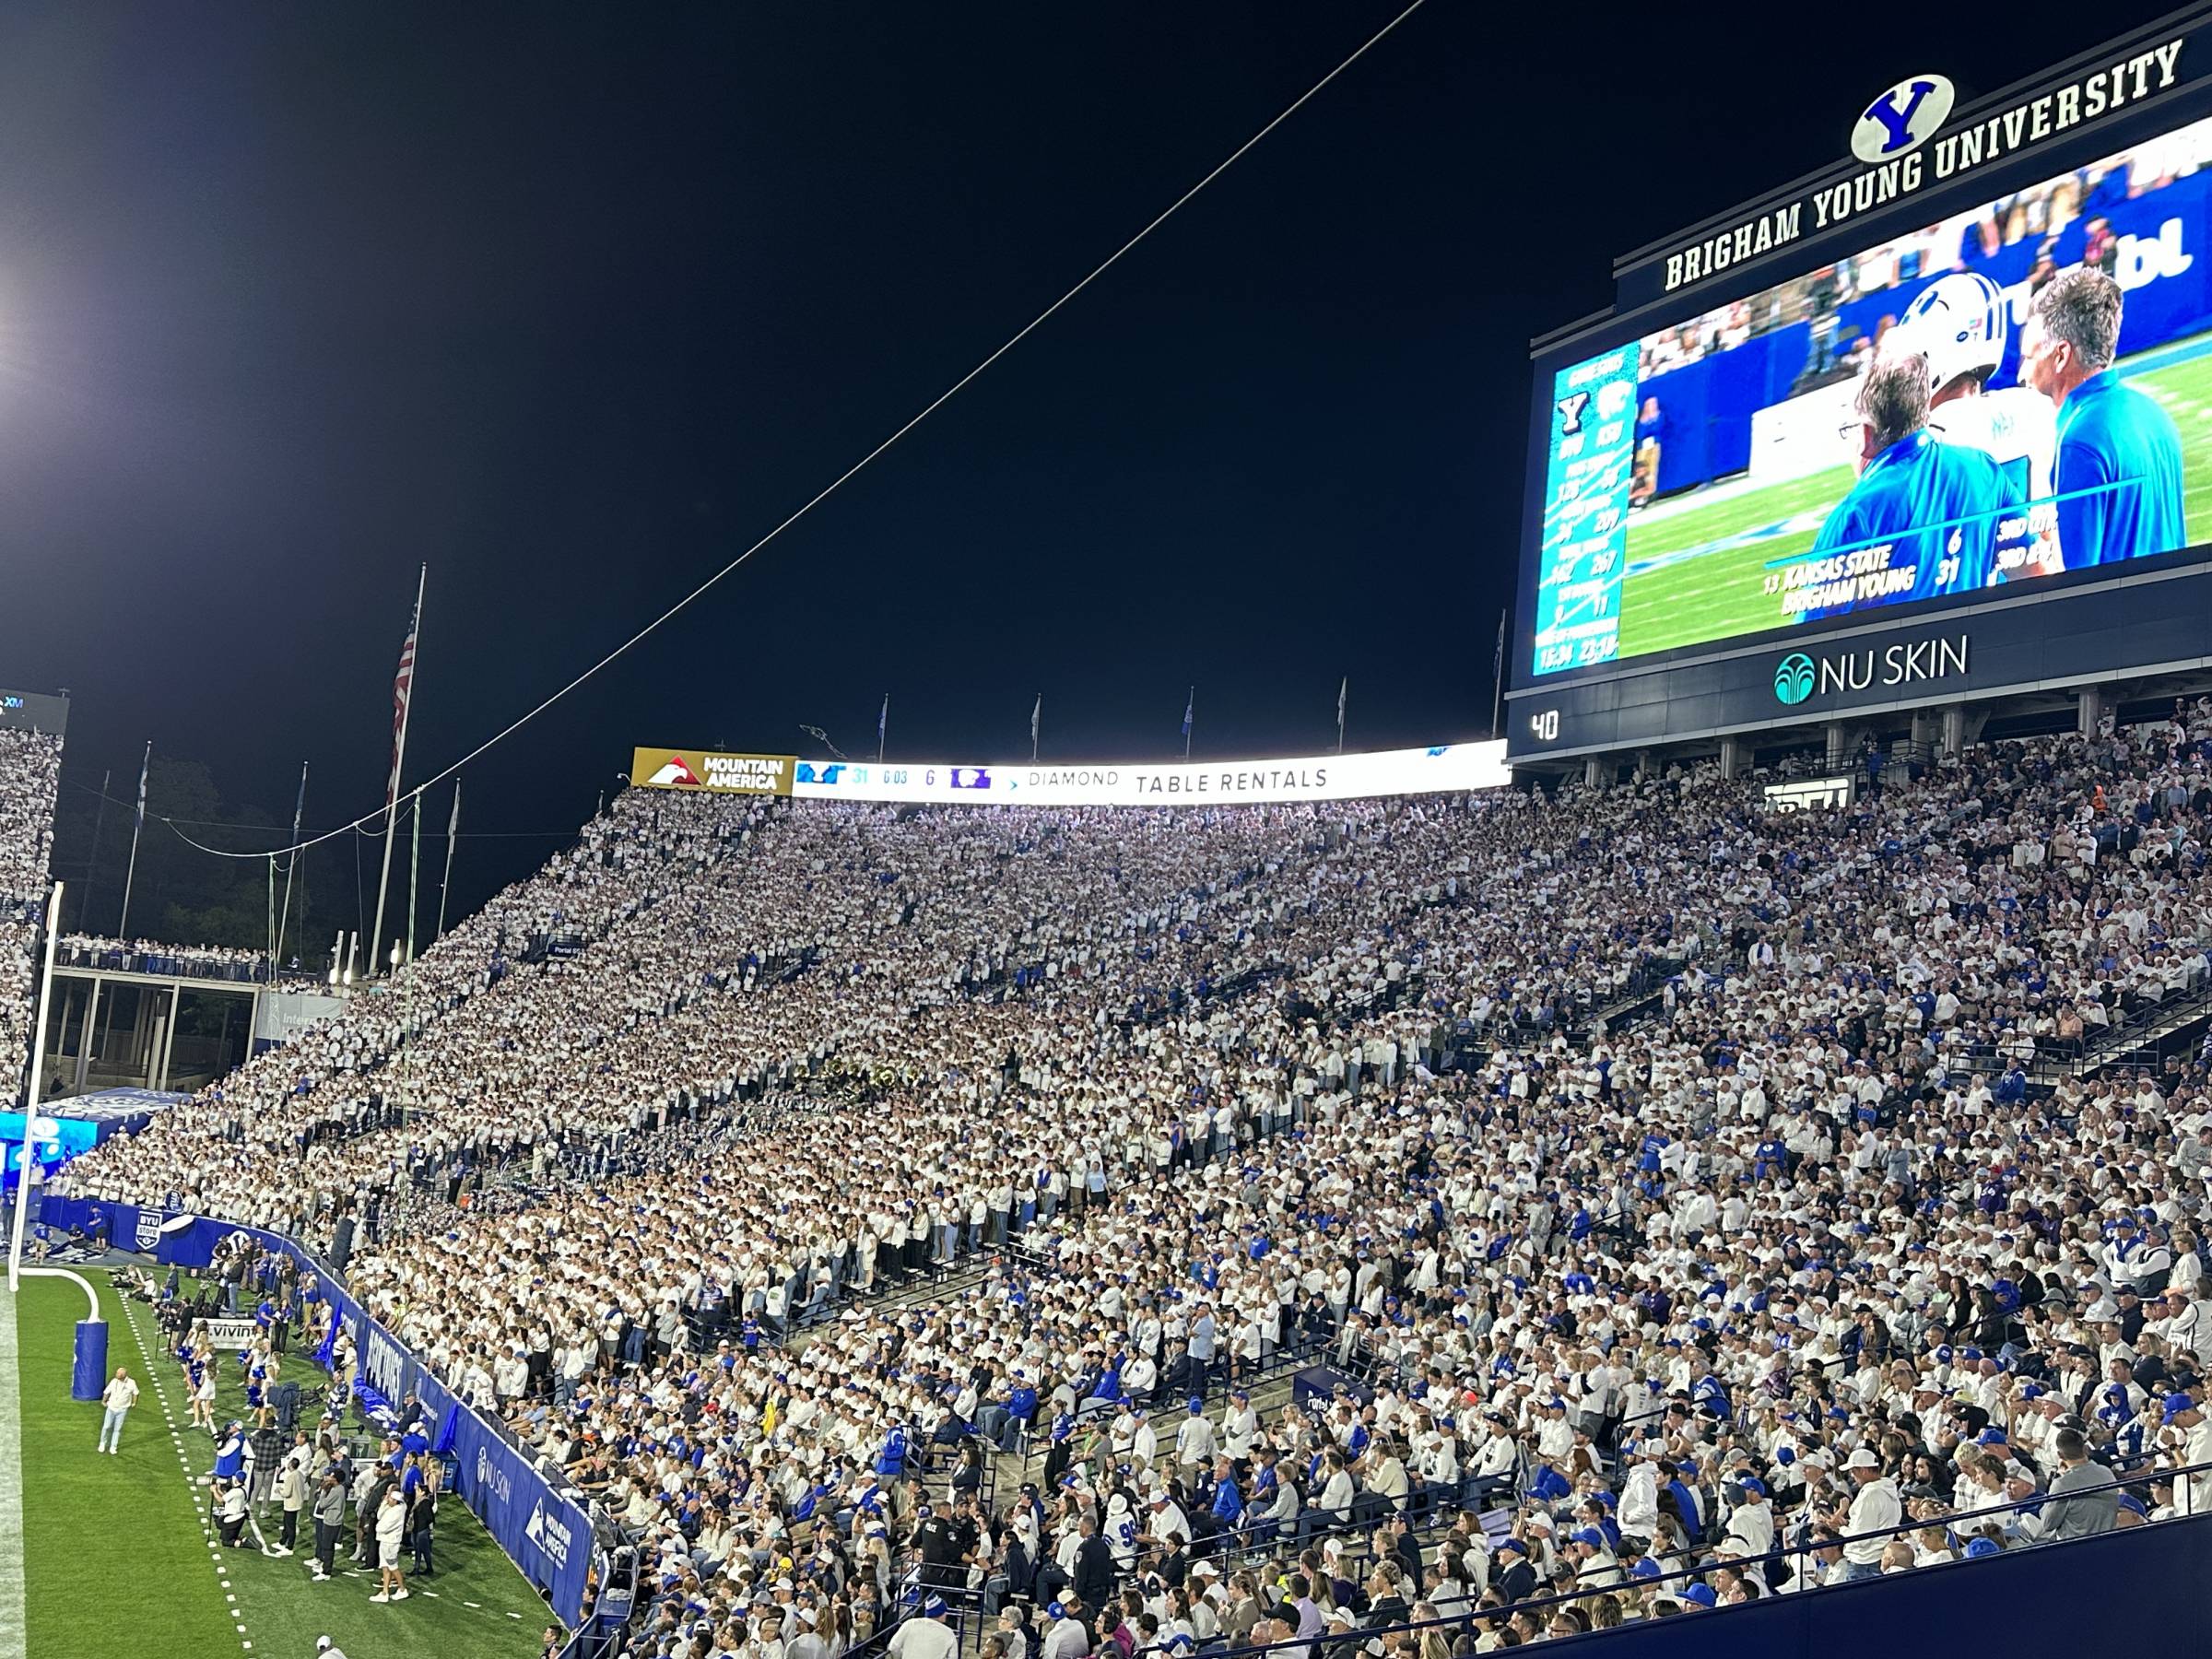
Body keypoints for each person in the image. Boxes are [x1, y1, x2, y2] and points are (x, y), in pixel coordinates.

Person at [1805, 353, 2018, 617]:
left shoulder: (1855, 514)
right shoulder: (1983, 469)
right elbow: (2037, 575)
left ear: (1867, 434)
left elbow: (1809, 641)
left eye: (1851, 428)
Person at [2024, 265, 2185, 568]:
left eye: (2030, 357)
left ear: (2061, 356)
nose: (2022, 373)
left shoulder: (2077, 441)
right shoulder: (2156, 414)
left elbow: (2075, 584)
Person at [370, 1485, 409, 1603]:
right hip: (385, 1541)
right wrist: (384, 1503)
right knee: (385, 1567)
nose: (388, 1500)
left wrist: (377, 1526)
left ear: (396, 1501)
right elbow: (379, 1515)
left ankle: (402, 1590)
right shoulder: (396, 1507)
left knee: (393, 1567)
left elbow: (381, 1527)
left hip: (390, 1543)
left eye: (390, 1499)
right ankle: (385, 1593)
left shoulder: (395, 1512)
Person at [888, 1595, 958, 1659]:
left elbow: (893, 1647)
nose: (946, 1614)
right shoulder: (948, 1633)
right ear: (940, 1612)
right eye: (944, 1611)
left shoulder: (910, 1624)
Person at [311, 1470, 347, 1582]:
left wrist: (322, 1491)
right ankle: (325, 1568)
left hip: (332, 1521)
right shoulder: (340, 1488)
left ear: (335, 1479)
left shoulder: (336, 1491)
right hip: (333, 1520)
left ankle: (326, 1572)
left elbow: (323, 1504)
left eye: (331, 1476)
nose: (329, 1478)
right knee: (328, 1546)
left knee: (327, 1546)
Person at [97, 1366, 139, 1455]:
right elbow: (107, 1391)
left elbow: (136, 1393)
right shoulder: (114, 1381)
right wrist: (104, 1401)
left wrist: (134, 1403)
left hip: (122, 1410)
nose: (116, 1374)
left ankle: (113, 1446)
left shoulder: (131, 1383)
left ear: (123, 1375)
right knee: (106, 1426)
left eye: (118, 1373)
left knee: (117, 1429)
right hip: (111, 1408)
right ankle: (102, 1443)